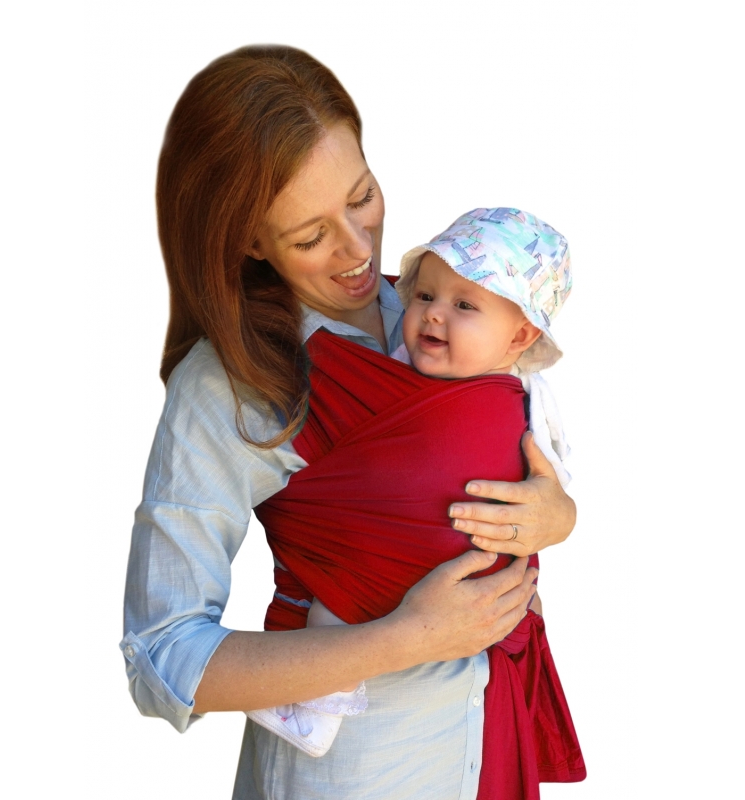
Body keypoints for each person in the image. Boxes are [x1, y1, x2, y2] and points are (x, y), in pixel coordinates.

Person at [121, 45, 578, 800]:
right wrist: (405, 639)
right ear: (248, 241)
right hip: (355, 771)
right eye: (310, 237)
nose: (360, 249)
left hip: (484, 738)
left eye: (362, 197)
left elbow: (524, 452)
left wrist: (555, 517)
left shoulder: (438, 310)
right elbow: (162, 656)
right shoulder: (231, 383)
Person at [244, 208, 584, 791]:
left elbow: (552, 482)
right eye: (424, 295)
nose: (433, 313)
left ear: (520, 336)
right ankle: (310, 702)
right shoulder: (383, 362)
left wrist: (559, 518)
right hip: (369, 601)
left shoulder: (533, 402)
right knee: (332, 611)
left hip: (473, 625)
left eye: (465, 305)